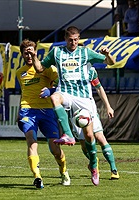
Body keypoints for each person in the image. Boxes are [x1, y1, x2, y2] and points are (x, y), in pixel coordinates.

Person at [27, 26, 115, 186]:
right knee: (54, 98)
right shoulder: (56, 52)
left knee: (89, 136)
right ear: (65, 39)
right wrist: (34, 57)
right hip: (65, 93)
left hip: (83, 98)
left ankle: (94, 165)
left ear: (78, 39)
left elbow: (111, 62)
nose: (73, 42)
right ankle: (68, 134)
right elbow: (40, 68)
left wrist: (108, 54)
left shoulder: (86, 52)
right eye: (70, 40)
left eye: (76, 40)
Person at [16, 39, 70, 189]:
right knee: (31, 140)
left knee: (55, 149)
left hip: (47, 111)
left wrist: (50, 91)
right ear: (21, 54)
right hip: (28, 110)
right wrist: (19, 112)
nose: (28, 55)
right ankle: (37, 177)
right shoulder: (20, 73)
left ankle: (63, 171)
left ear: (36, 52)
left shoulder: (48, 69)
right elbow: (24, 92)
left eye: (31, 51)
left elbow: (62, 86)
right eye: (26, 52)